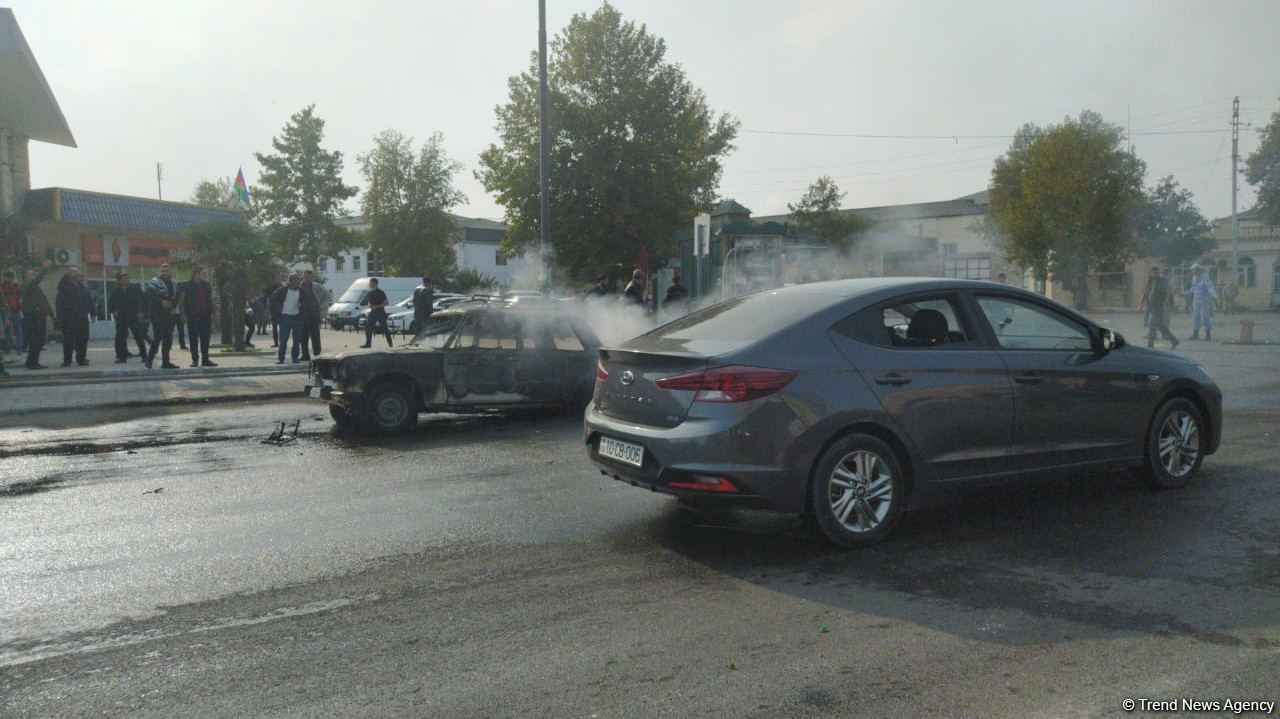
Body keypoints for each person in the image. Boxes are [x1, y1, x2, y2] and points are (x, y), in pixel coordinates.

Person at [178, 266, 217, 367]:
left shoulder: (206, 285)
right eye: (203, 273)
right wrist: (183, 315)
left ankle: (206, 359)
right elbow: (181, 301)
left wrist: (214, 313)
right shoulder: (186, 285)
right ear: (196, 273)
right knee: (193, 339)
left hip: (205, 316)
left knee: (205, 339)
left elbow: (210, 300)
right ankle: (195, 360)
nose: (204, 275)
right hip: (192, 316)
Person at [144, 263, 180, 369]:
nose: (165, 273)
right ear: (160, 271)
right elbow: (148, 294)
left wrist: (173, 306)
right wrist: (161, 302)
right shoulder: (154, 282)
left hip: (169, 314)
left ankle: (166, 362)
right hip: (157, 314)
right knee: (158, 336)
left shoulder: (173, 284)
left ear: (170, 272)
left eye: (167, 270)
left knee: (168, 338)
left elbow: (175, 297)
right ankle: (149, 359)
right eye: (163, 270)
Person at [55, 268, 93, 367]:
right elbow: (59, 304)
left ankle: (81, 359)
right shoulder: (65, 287)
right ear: (69, 274)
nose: (77, 275)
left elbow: (89, 300)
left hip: (82, 318)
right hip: (69, 318)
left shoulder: (82, 288)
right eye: (74, 272)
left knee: (83, 339)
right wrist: (60, 318)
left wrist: (93, 312)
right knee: (68, 340)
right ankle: (67, 360)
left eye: (78, 273)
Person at [108, 272, 148, 363]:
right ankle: (121, 357)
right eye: (125, 278)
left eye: (128, 278)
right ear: (120, 281)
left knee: (138, 336)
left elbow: (144, 300)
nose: (127, 280)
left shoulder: (135, 289)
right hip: (121, 317)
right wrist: (114, 311)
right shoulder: (116, 291)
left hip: (133, 315)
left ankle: (144, 356)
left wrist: (141, 312)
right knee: (120, 337)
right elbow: (111, 302)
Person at [272, 274, 312, 363]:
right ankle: (281, 358)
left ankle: (295, 357)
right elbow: (274, 298)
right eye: (297, 281)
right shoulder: (282, 290)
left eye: (299, 281)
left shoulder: (302, 291)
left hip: (297, 318)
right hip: (285, 317)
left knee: (297, 340)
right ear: (291, 281)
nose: (299, 282)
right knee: (283, 340)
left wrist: (302, 305)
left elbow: (307, 302)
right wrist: (279, 307)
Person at [21, 261, 52, 369]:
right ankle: (32, 362)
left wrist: (51, 314)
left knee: (40, 340)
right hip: (32, 316)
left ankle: (33, 361)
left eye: (34, 274)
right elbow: (36, 280)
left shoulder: (35, 288)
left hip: (39, 315)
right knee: (35, 340)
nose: (34, 276)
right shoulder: (27, 285)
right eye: (31, 274)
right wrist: (44, 269)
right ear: (26, 277)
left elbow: (44, 301)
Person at [1138, 267, 1179, 350]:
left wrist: (1165, 303)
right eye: (1153, 273)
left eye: (1156, 273)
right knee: (1161, 327)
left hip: (1158, 307)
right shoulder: (1149, 281)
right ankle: (1174, 340)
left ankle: (1150, 346)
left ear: (1158, 273)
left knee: (1152, 326)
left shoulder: (1162, 282)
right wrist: (1140, 305)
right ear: (1150, 273)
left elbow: (1168, 293)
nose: (1154, 274)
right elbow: (1144, 293)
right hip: (1150, 306)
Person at [1185, 264, 1217, 341]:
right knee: (1195, 317)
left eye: (1194, 270)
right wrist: (1187, 292)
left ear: (1198, 270)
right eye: (1192, 270)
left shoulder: (1205, 277)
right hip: (1196, 300)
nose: (1192, 272)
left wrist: (1214, 295)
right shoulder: (1194, 278)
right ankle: (1195, 334)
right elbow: (1194, 288)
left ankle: (1208, 334)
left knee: (1205, 317)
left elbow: (1209, 287)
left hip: (1204, 300)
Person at [361, 277, 393, 348]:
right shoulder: (370, 293)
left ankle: (390, 344)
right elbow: (369, 301)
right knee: (368, 328)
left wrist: (377, 306)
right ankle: (368, 344)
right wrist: (369, 304)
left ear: (375, 283)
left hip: (380, 312)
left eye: (371, 283)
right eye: (370, 283)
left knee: (385, 328)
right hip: (373, 313)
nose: (369, 284)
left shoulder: (381, 292)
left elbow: (386, 303)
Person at [299, 269, 323, 360]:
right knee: (303, 336)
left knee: (315, 336)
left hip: (314, 315)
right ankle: (305, 354)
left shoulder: (317, 287)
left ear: (312, 277)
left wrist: (321, 307)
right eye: (305, 276)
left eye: (309, 276)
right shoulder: (300, 287)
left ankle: (317, 354)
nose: (307, 278)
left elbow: (326, 296)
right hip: (303, 315)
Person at [1, 269, 23, 354]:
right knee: (7, 329)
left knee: (18, 330)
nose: (8, 279)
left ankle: (19, 348)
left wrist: (20, 307)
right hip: (6, 311)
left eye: (10, 277)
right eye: (7, 277)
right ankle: (8, 347)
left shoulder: (17, 286)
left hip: (16, 310)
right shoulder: (2, 287)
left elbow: (21, 298)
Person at [264, 273, 283, 346]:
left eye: (279, 278)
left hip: (282, 309)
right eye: (277, 278)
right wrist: (266, 308)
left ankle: (282, 342)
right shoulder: (271, 287)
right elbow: (266, 297)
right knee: (274, 327)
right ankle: (276, 342)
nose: (278, 279)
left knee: (282, 327)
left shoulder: (283, 287)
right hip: (273, 309)